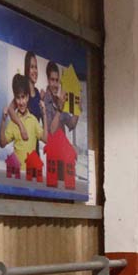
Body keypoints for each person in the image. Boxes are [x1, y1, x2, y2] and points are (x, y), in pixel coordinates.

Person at [0, 73, 44, 182]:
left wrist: (44, 115)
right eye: (18, 98)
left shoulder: (33, 120)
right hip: (17, 177)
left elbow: (45, 138)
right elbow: (2, 143)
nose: (21, 102)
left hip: (32, 176)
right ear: (15, 99)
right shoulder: (13, 123)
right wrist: (3, 121)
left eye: (23, 97)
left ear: (27, 97)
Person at [42, 61, 80, 189]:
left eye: (57, 80)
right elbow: (51, 130)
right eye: (52, 80)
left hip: (63, 152)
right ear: (47, 80)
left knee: (67, 186)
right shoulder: (44, 101)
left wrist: (77, 111)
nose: (55, 84)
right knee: (54, 187)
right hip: (53, 152)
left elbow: (71, 124)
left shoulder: (59, 101)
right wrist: (59, 110)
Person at [24, 51, 44, 125]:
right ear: (27, 69)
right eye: (32, 67)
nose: (35, 71)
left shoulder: (37, 93)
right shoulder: (23, 90)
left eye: (36, 67)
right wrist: (21, 127)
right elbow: (10, 109)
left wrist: (41, 100)